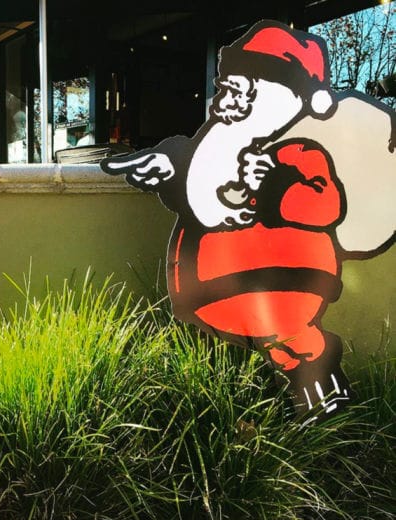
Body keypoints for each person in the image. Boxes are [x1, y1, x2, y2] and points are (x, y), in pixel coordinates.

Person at [101, 20, 395, 421]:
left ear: (283, 97)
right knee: (222, 351)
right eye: (228, 89)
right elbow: (198, 179)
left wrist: (275, 184)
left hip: (285, 282)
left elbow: (324, 205)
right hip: (210, 289)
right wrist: (167, 167)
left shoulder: (299, 154)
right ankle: (224, 406)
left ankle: (321, 400)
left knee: (291, 342)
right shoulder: (216, 148)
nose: (229, 102)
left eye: (244, 90)